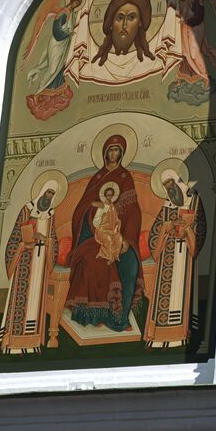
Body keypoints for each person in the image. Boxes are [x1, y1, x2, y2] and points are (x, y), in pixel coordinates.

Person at [64, 135, 147, 332]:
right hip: (94, 237)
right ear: (104, 153)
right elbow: (80, 210)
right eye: (110, 150)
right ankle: (95, 315)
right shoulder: (98, 178)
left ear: (122, 153)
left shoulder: (125, 178)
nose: (113, 154)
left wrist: (127, 239)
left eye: (116, 150)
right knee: (95, 263)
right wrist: (93, 206)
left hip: (121, 238)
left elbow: (133, 213)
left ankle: (119, 318)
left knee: (131, 265)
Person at [145, 169, 206, 347]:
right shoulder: (166, 206)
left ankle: (180, 333)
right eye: (166, 186)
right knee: (165, 296)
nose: (170, 189)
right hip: (167, 258)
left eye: (171, 184)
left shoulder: (194, 201)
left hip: (185, 258)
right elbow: (154, 235)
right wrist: (167, 227)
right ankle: (158, 337)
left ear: (178, 182)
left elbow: (201, 228)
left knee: (181, 293)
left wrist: (187, 231)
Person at [0, 182, 60, 354]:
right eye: (47, 192)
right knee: (22, 299)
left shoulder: (51, 215)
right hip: (25, 263)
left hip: (40, 265)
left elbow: (53, 238)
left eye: (52, 194)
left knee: (35, 302)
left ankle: (32, 343)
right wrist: (30, 239)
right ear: (41, 192)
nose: (48, 197)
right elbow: (15, 238)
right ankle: (13, 344)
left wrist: (47, 241)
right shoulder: (27, 210)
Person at [72, 0, 166, 85]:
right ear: (111, 23)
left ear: (140, 23)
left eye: (131, 17)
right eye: (120, 18)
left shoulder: (154, 63)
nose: (124, 25)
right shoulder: (88, 67)